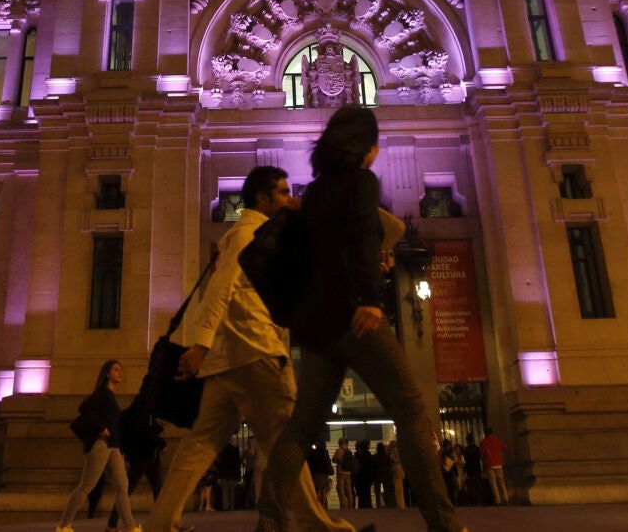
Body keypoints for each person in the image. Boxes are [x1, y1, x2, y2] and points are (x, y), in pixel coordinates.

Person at [263, 106, 467, 532]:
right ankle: (444, 523)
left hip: (315, 323)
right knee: (410, 409)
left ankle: (269, 521)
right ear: (366, 148)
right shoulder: (361, 182)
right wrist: (369, 298)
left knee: (302, 426)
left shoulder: (315, 193)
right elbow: (359, 237)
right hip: (352, 316)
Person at [144, 166, 346, 532]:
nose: (289, 198)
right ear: (261, 198)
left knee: (199, 445)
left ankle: (161, 522)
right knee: (286, 436)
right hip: (255, 354)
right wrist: (201, 343)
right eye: (283, 193)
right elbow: (220, 290)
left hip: (229, 362)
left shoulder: (258, 234)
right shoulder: (249, 234)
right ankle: (315, 523)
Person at [54, 360, 139, 532]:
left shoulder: (110, 395)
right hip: (101, 445)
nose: (120, 372)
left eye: (121, 370)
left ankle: (130, 527)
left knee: (122, 486)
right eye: (116, 370)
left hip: (113, 446)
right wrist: (100, 428)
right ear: (107, 373)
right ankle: (63, 526)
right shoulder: (102, 393)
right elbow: (84, 407)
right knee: (87, 486)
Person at [478, 427, 507, 505]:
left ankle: (497, 500)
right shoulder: (497, 440)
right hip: (498, 463)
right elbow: (504, 447)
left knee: (493, 483)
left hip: (489, 464)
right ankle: (505, 499)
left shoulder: (484, 442)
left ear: (485, 433)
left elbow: (481, 452)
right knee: (501, 482)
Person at [305, 444, 333, 511]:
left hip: (316, 473)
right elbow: (328, 462)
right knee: (323, 490)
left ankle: (318, 505)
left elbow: (310, 463)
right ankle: (322, 506)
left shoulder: (313, 453)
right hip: (324, 474)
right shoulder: (325, 453)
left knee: (318, 490)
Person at [333, 440, 357, 511]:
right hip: (348, 472)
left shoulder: (339, 450)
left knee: (341, 490)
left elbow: (334, 459)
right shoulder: (348, 451)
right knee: (349, 490)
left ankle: (344, 506)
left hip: (341, 472)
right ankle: (351, 505)